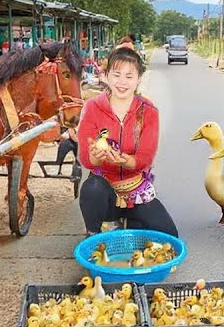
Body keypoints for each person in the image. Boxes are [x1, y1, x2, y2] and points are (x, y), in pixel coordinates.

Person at [76, 44, 178, 237]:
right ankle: (93, 235)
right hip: (104, 191)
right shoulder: (92, 107)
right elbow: (86, 159)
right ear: (105, 76)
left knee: (169, 238)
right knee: (92, 187)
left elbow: (145, 158)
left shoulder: (148, 111)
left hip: (135, 191)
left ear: (138, 79)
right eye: (116, 74)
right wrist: (97, 157)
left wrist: (126, 161)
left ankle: (130, 223)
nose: (122, 82)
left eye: (129, 76)